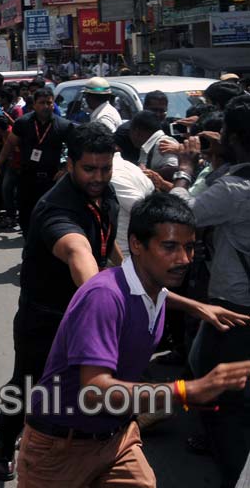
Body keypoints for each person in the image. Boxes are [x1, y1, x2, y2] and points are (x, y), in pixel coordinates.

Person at [16, 193, 250, 487]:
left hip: (118, 437)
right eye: (169, 247)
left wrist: (198, 306)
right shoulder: (104, 297)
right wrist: (186, 390)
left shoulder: (153, 289)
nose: (184, 259)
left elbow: (160, 297)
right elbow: (94, 391)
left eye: (190, 247)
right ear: (136, 244)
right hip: (59, 446)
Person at [0, 123, 121, 481]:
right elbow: (80, 252)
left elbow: (104, 246)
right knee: (27, 385)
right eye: (89, 169)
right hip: (45, 318)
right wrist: (106, 302)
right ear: (69, 165)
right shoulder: (55, 210)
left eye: (106, 169)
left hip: (83, 312)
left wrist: (130, 280)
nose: (98, 177)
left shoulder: (104, 195)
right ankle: (3, 446)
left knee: (84, 387)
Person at [170, 95, 250, 487]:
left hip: (236, 309)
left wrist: (185, 170)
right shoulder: (233, 179)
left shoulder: (236, 189)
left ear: (230, 136)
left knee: (227, 402)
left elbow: (178, 216)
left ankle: (232, 472)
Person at [0, 88, 73, 236]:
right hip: (27, 178)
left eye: (49, 103)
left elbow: (75, 149)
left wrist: (65, 169)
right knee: (27, 216)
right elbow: (9, 144)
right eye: (42, 103)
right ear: (34, 104)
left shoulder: (63, 125)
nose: (46, 106)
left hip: (51, 179)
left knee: (48, 217)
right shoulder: (23, 122)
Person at [130, 110, 179, 180]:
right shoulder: (148, 145)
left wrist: (145, 174)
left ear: (136, 132)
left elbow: (174, 170)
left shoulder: (163, 143)